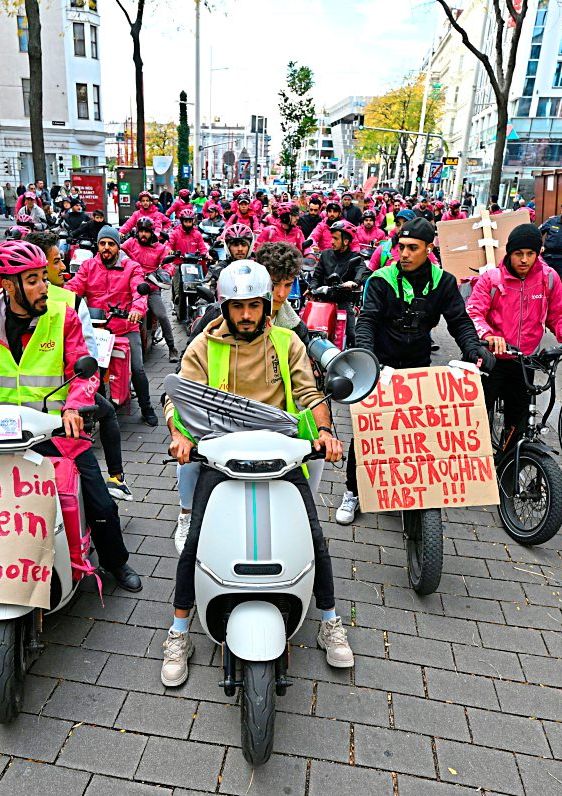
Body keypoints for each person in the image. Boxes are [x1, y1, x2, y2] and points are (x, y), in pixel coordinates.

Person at [160, 260, 355, 686]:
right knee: (194, 542)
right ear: (224, 307)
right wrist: (179, 436)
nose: (246, 315)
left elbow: (309, 392)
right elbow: (178, 398)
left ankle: (329, 619)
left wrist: (325, 431)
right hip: (219, 459)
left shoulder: (287, 343)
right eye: (237, 307)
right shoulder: (202, 347)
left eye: (254, 306)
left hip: (281, 458)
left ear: (266, 305)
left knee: (314, 536)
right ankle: (178, 631)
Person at [0, 240, 141, 590]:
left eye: (42, 277)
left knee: (101, 504)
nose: (43, 286)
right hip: (3, 438)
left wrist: (75, 405)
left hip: (55, 434)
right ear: (7, 285)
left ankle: (115, 561)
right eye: (31, 280)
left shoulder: (62, 316)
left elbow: (85, 371)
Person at [336, 217, 495, 524]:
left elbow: (460, 322)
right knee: (368, 430)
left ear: (428, 249)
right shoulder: (381, 279)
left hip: (418, 363)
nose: (404, 254)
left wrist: (473, 349)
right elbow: (367, 321)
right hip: (381, 362)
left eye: (412, 248)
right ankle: (353, 492)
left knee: (414, 432)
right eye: (401, 247)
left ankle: (404, 488)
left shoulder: (443, 281)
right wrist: (369, 359)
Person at [26, 231, 134, 501]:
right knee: (103, 510)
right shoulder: (69, 300)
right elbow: (90, 357)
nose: (63, 267)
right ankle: (116, 477)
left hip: (58, 401)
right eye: (55, 262)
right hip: (54, 405)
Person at [467, 223, 562, 434]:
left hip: (524, 361)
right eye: (518, 253)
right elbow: (473, 313)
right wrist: (489, 335)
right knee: (476, 422)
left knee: (518, 427)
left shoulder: (549, 278)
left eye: (531, 254)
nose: (525, 260)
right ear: (509, 252)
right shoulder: (491, 279)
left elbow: (558, 316)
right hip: (491, 361)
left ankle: (512, 462)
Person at [67, 225, 159, 426]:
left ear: (118, 246)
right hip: (96, 330)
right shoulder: (88, 266)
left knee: (138, 368)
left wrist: (137, 309)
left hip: (125, 328)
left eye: (111, 244)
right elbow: (73, 288)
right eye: (102, 243)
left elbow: (139, 291)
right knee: (89, 370)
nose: (106, 247)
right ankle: (90, 409)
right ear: (97, 246)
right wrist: (57, 299)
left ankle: (147, 407)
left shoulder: (132, 267)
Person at [121, 216, 179, 362]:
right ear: (137, 231)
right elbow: (119, 252)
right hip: (131, 287)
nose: (143, 234)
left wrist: (166, 273)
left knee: (162, 315)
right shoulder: (130, 243)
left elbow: (168, 265)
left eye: (147, 231)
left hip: (152, 287)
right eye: (141, 231)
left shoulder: (160, 248)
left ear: (152, 232)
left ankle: (172, 348)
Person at [309, 219, 367, 347]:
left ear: (346, 241)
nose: (331, 241)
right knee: (307, 331)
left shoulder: (355, 258)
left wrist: (354, 282)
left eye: (335, 238)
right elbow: (316, 276)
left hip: (342, 303)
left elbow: (363, 270)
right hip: (322, 302)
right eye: (331, 238)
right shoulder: (325, 255)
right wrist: (312, 288)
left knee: (353, 336)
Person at [539, 202, 562, 277]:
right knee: (545, 279)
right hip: (548, 257)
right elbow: (537, 232)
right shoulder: (552, 221)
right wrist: (540, 245)